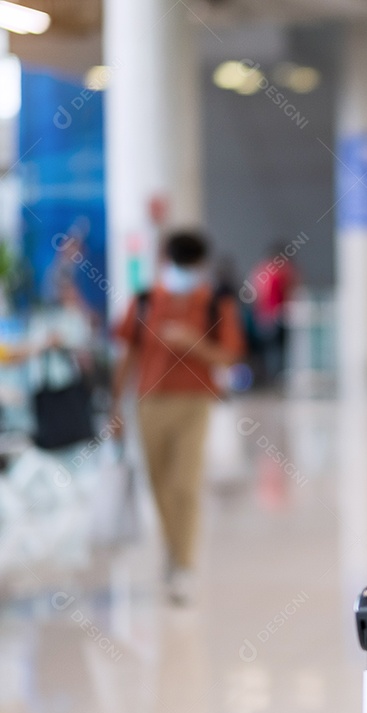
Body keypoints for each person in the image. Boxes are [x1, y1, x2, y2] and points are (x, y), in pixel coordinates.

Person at [112, 230, 245, 604]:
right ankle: (173, 553)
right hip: (150, 402)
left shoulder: (215, 303)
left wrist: (195, 344)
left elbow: (231, 356)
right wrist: (114, 409)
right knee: (158, 484)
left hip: (195, 401)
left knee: (185, 484)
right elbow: (127, 355)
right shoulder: (144, 302)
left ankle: (183, 564)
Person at [246, 242, 297, 386]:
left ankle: (268, 378)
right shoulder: (283, 272)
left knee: (267, 351)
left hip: (263, 317)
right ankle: (276, 378)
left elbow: (253, 294)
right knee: (278, 350)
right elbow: (291, 292)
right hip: (276, 317)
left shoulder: (259, 271)